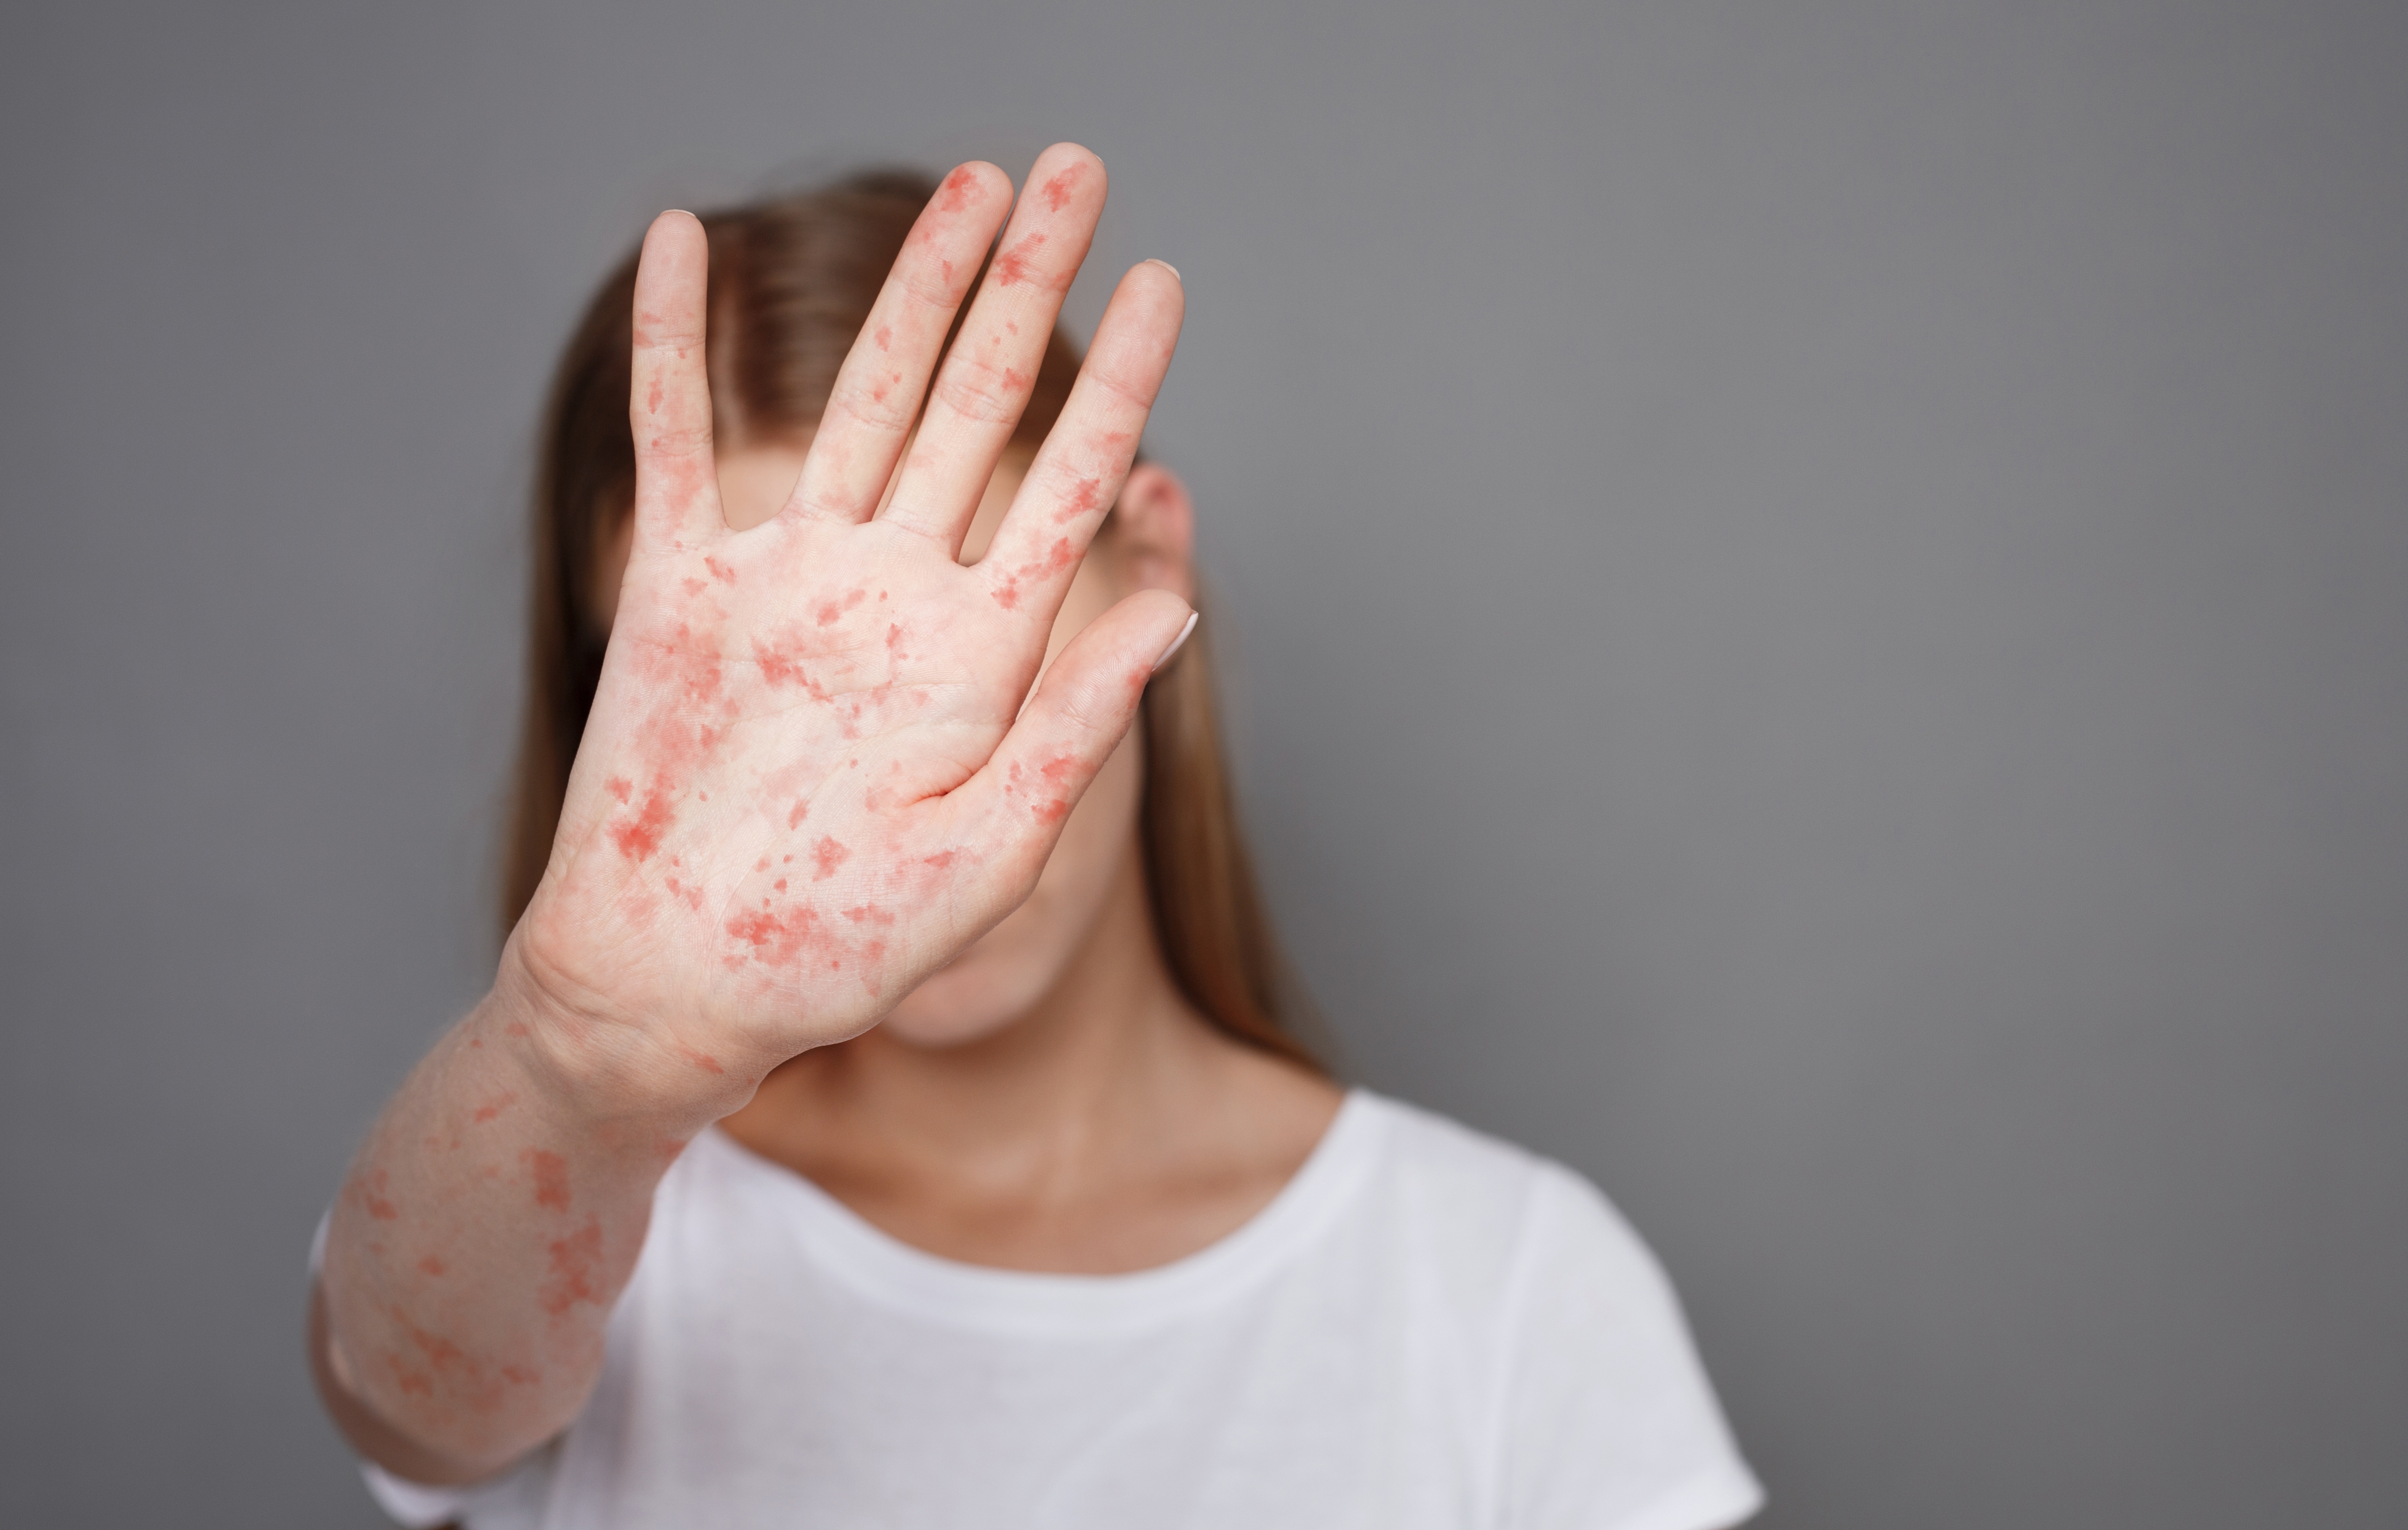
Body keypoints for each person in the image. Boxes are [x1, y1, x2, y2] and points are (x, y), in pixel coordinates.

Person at [310, 144, 1764, 1530]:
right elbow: (411, 1397)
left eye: (957, 615)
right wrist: (572, 1050)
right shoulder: (555, 1206)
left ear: (1150, 549)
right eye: (740, 692)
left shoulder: (1508, 1289)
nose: (877, 790)